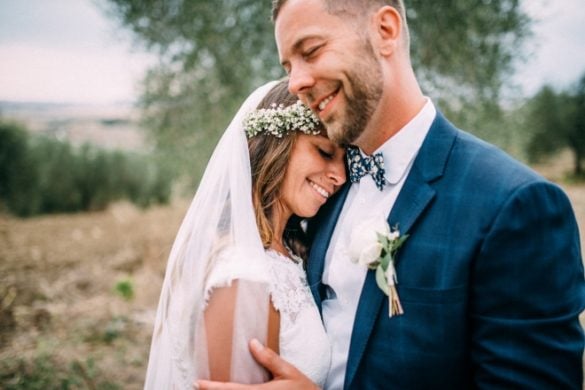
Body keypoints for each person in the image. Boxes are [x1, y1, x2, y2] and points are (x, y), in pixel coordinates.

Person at [197, 0, 585, 389]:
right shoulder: (320, 196)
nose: (296, 82)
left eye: (311, 51)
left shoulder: (514, 206)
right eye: (288, 67)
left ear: (385, 31)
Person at [144, 79, 346, 389]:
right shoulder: (243, 276)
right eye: (324, 151)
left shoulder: (284, 253)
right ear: (276, 143)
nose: (340, 176)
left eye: (345, 161)